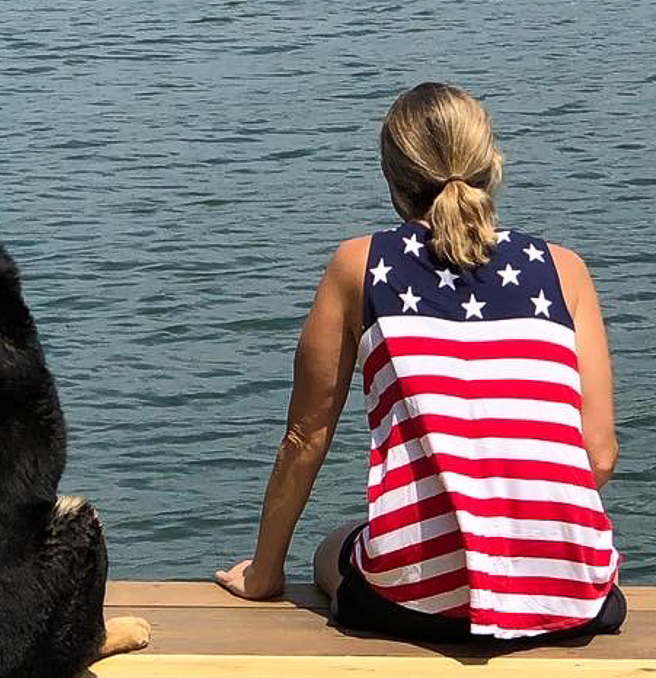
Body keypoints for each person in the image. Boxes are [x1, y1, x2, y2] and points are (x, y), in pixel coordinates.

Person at [216, 82, 624, 641]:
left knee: (331, 548)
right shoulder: (563, 270)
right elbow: (597, 455)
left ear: (392, 179)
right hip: (570, 592)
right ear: (492, 163)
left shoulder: (358, 264)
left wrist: (264, 575)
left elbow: (305, 439)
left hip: (416, 599)